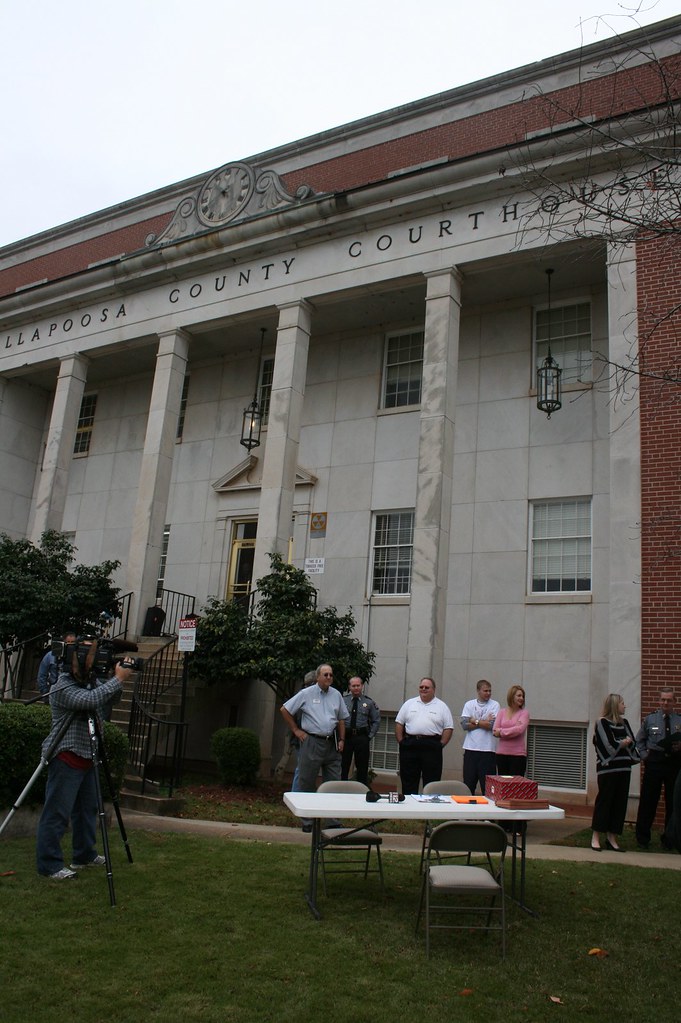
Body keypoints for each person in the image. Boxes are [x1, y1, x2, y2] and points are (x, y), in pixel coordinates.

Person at [36, 641, 134, 880]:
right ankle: (49, 864)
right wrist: (118, 679)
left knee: (88, 810)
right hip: (66, 755)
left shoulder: (92, 684)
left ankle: (84, 854)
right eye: (90, 655)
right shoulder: (63, 685)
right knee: (58, 813)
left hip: (89, 755)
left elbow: (110, 699)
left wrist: (113, 677)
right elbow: (89, 701)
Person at [280, 663, 349, 831]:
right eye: (325, 675)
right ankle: (308, 821)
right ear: (317, 676)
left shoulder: (337, 695)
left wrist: (341, 739)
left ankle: (332, 820)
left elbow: (341, 719)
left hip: (331, 743)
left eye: (331, 675)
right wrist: (296, 730)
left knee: (333, 783)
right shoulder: (306, 693)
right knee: (306, 781)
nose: (329, 678)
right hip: (311, 742)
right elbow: (284, 710)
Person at [591, 693, 640, 852]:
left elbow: (632, 740)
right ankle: (596, 836)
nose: (625, 706)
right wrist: (623, 742)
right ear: (614, 705)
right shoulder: (602, 722)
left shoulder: (624, 722)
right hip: (608, 770)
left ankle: (612, 838)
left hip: (624, 768)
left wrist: (625, 743)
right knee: (605, 802)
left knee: (620, 803)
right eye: (622, 703)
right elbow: (608, 744)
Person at [634, 688, 681, 849]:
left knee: (672, 802)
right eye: (663, 700)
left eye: (669, 700)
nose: (666, 703)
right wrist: (644, 756)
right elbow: (639, 740)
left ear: (674, 702)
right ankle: (642, 838)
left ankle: (669, 839)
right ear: (659, 701)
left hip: (673, 763)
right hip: (654, 762)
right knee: (648, 800)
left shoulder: (679, 720)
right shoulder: (651, 719)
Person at [395, 678, 454, 795]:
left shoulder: (442, 706)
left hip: (431, 747)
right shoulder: (409, 703)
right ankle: (409, 808)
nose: (423, 689)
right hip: (410, 746)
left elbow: (448, 728)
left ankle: (429, 808)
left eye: (427, 687)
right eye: (421, 687)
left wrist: (440, 745)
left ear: (434, 689)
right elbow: (399, 723)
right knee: (408, 780)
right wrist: (401, 742)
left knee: (431, 782)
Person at [460, 679, 500, 795]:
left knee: (487, 787)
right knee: (468, 784)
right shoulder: (469, 704)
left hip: (487, 751)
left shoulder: (495, 705)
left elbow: (491, 725)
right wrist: (483, 722)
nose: (488, 693)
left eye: (490, 691)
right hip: (471, 749)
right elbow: (464, 725)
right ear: (478, 691)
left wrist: (474, 720)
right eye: (485, 691)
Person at [341, 676, 380, 786]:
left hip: (362, 737)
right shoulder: (343, 701)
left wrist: (369, 736)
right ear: (349, 687)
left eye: (358, 685)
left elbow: (376, 720)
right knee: (343, 766)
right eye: (353, 686)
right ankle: (341, 790)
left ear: (362, 686)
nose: (356, 688)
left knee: (362, 767)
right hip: (346, 737)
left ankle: (361, 791)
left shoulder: (369, 702)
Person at [493, 684, 530, 776]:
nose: (521, 698)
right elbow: (494, 731)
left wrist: (501, 731)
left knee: (515, 787)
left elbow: (519, 730)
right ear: (511, 696)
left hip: (518, 756)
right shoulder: (502, 712)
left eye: (523, 696)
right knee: (503, 786)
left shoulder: (524, 713)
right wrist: (513, 729)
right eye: (519, 695)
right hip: (501, 755)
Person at [37, 631, 76, 696]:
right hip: (53, 690)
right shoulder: (50, 655)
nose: (70, 645)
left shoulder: (77, 657)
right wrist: (45, 691)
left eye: (72, 643)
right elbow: (42, 675)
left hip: (71, 691)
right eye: (68, 642)